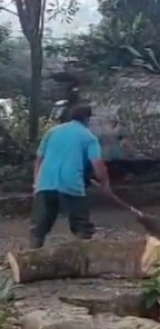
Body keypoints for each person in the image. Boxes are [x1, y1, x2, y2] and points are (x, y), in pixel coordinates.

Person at [30, 104, 111, 249]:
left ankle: (33, 252)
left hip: (46, 182)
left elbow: (39, 159)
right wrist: (105, 185)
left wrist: (37, 182)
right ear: (87, 119)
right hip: (71, 183)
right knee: (81, 223)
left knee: (40, 224)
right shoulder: (88, 137)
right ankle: (82, 253)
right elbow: (98, 165)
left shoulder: (52, 132)